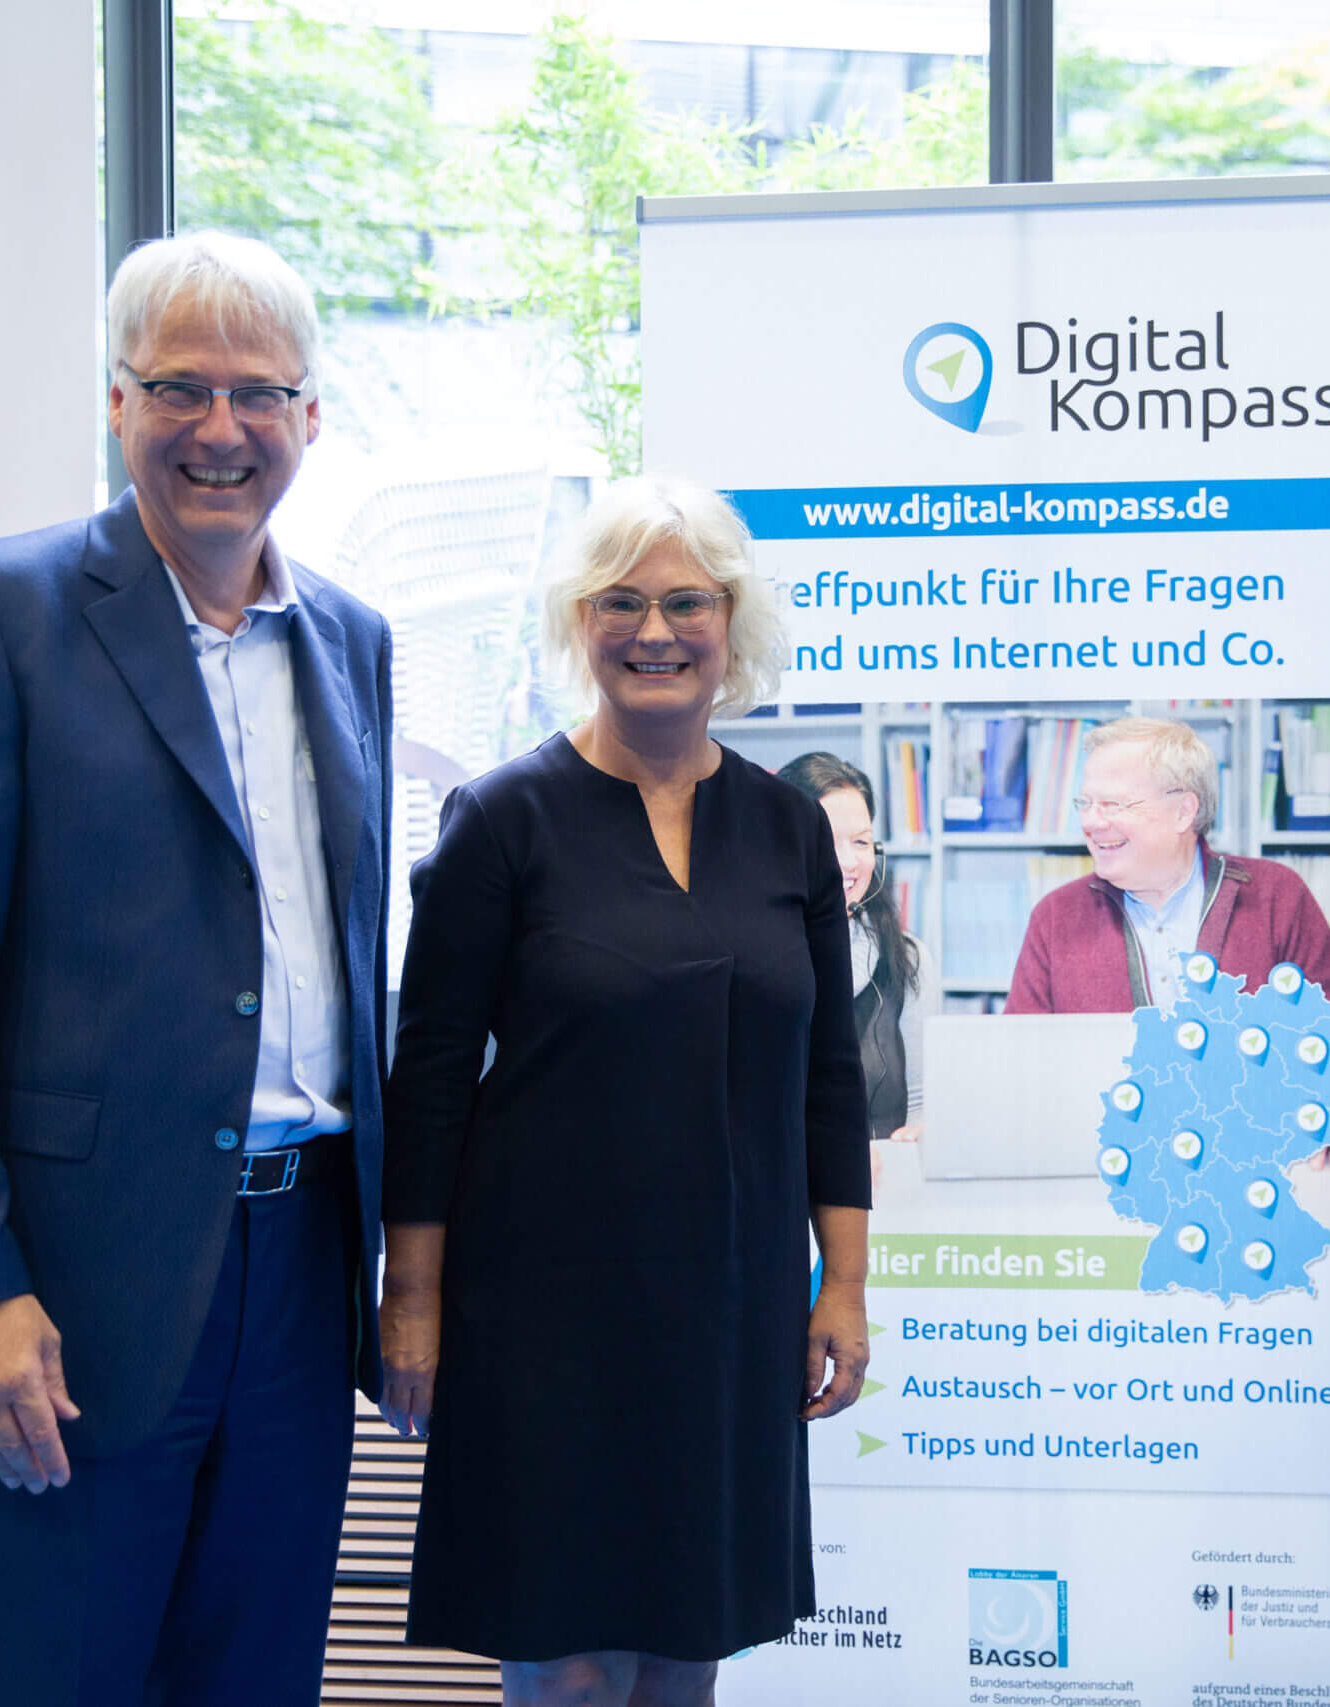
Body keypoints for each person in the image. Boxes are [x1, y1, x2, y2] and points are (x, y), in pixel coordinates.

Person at [0, 231, 393, 1706]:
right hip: (70, 1292)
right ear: (116, 402)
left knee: (254, 1680)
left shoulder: (352, 639)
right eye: (179, 388)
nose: (222, 429)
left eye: (259, 394)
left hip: (300, 1278)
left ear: (310, 415)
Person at [376, 475, 872, 1707]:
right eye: (621, 602)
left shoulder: (788, 830)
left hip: (732, 1303)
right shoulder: (501, 820)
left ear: (732, 622)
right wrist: (412, 1302)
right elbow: (429, 1081)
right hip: (541, 1313)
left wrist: (844, 1284)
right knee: (571, 1663)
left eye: (686, 602)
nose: (655, 631)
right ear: (579, 622)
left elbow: (829, 1076)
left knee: (688, 1652)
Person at [1005, 716, 1330, 1017]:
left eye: (1113, 804)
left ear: (1183, 811)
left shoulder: (1276, 897)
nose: (1091, 822)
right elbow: (1021, 1057)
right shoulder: (1056, 918)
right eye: (1085, 803)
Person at [780, 750, 935, 1144]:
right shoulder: (747, 960)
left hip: (887, 1179)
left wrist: (922, 1133)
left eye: (861, 842)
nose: (849, 862)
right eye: (827, 842)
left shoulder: (908, 958)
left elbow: (924, 1105)